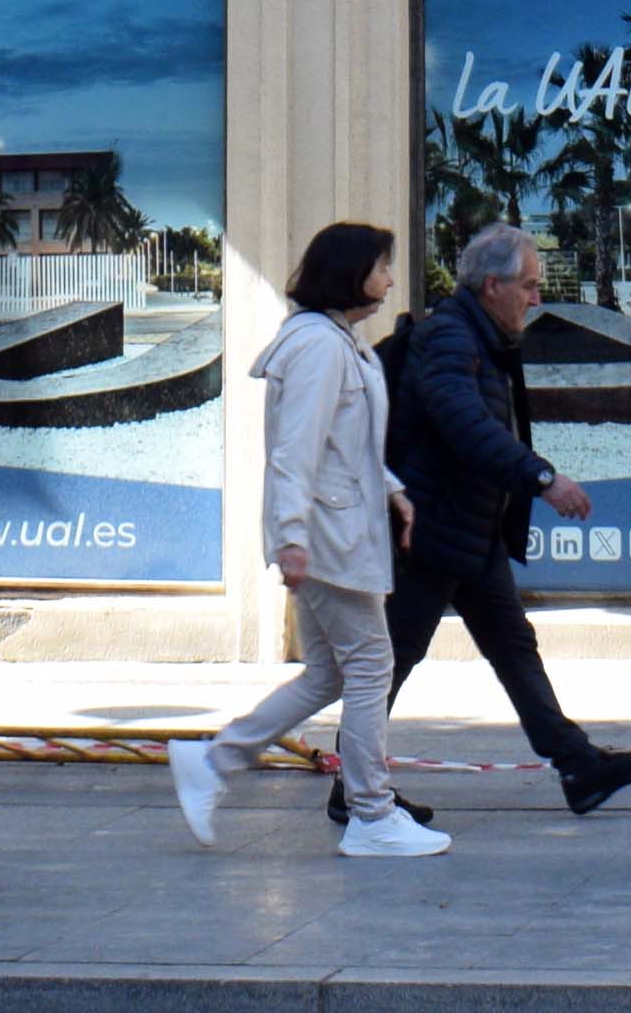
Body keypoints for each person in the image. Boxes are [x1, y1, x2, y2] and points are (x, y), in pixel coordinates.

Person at [177, 221, 446, 858]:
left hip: (333, 531)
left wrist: (389, 488)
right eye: (381, 267)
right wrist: (292, 536)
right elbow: (295, 451)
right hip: (330, 539)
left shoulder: (331, 342)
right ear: (349, 272)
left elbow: (340, 445)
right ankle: (372, 814)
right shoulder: (322, 348)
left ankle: (213, 762)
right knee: (371, 668)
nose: (387, 280)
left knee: (329, 673)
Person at [387, 225, 631, 816]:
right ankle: (348, 786)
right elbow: (467, 427)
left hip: (470, 527)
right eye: (530, 287)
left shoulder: (481, 338)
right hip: (431, 530)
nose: (536, 300)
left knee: (514, 646)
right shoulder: (448, 339)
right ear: (493, 286)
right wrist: (541, 479)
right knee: (390, 660)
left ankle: (579, 767)